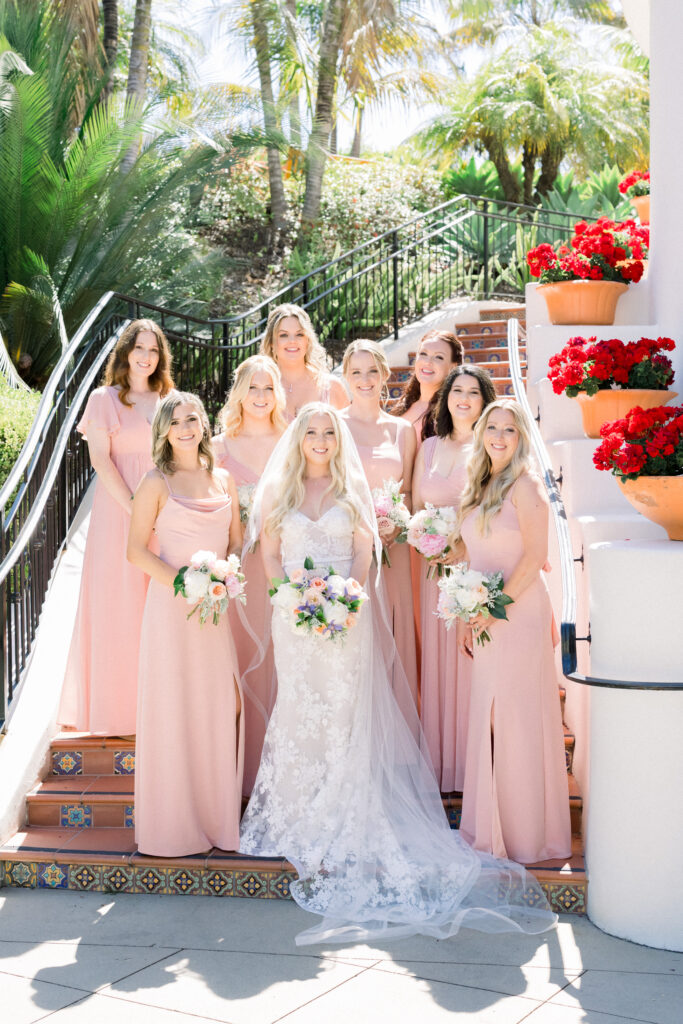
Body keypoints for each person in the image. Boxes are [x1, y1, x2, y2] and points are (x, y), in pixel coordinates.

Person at [240, 402, 556, 945]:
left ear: (339, 441)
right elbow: (270, 555)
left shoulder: (350, 493)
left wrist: (348, 600)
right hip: (294, 620)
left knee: (343, 713)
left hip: (347, 616)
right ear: (298, 440)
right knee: (300, 710)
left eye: (328, 432)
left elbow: (364, 557)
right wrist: (289, 599)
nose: (320, 439)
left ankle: (344, 815)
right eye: (311, 432)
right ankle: (296, 815)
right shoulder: (279, 494)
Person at [456, 399, 572, 864]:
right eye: (492, 427)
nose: (500, 437)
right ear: (482, 432)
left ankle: (526, 836)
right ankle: (490, 825)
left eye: (510, 429)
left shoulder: (526, 487)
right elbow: (476, 555)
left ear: (523, 438)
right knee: (490, 716)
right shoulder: (481, 484)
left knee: (517, 719)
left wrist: (495, 607)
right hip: (484, 613)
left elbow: (534, 556)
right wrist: (467, 612)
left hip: (517, 612)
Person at [128, 392, 244, 857]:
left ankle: (216, 821)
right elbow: (136, 551)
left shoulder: (225, 479)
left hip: (214, 612)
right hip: (172, 611)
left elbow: (236, 544)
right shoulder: (155, 482)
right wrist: (185, 585)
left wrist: (222, 578)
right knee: (173, 707)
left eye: (193, 417)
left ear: (204, 425)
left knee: (216, 707)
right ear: (163, 429)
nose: (186, 426)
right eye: (176, 420)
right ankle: (173, 827)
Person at [58, 319, 174, 736]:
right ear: (125, 352)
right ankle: (119, 712)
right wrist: (135, 509)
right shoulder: (103, 399)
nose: (146, 357)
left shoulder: (169, 399)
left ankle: (159, 708)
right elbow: (101, 461)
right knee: (120, 603)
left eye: (154, 350)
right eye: (138, 348)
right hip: (119, 512)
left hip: (165, 511)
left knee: (158, 604)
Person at [412, 365, 497, 792]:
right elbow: (413, 510)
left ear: (485, 401)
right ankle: (441, 766)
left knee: (470, 663)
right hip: (432, 572)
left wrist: (460, 547)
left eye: (473, 392)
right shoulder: (427, 447)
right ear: (445, 398)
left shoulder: (491, 446)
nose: (463, 398)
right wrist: (425, 540)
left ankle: (473, 767)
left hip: (474, 569)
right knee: (438, 662)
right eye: (456, 390)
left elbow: (499, 510)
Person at [212, 354, 287, 794]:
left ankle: (277, 774)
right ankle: (237, 773)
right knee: (237, 663)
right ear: (240, 393)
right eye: (253, 388)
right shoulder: (218, 447)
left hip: (283, 567)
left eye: (268, 388)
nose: (260, 397)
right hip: (238, 570)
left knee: (281, 660)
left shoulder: (293, 440)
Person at [340, 339, 418, 708]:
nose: (365, 379)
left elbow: (409, 493)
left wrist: (394, 523)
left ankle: (397, 730)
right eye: (356, 372)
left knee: (393, 628)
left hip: (394, 547)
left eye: (372, 370)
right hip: (346, 545)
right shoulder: (333, 426)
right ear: (345, 377)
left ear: (385, 374)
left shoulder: (403, 430)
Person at [259, 303, 348, 420]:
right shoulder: (258, 388)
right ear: (271, 342)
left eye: (299, 334)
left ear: (308, 340)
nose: (292, 341)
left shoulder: (331, 387)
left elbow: (351, 433)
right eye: (283, 335)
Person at [393, 330, 464, 445]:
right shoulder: (404, 405)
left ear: (453, 367)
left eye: (439, 357)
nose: (427, 362)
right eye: (423, 354)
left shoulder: (451, 412)